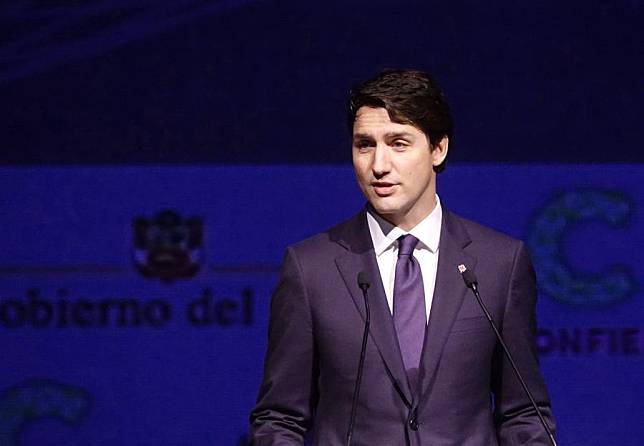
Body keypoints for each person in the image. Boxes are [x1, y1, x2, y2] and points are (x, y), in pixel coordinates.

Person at [250, 69, 555, 445]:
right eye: (364, 144)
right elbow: (279, 418)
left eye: (398, 143)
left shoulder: (499, 264)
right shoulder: (311, 268)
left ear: (438, 149)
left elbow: (524, 414)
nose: (378, 165)